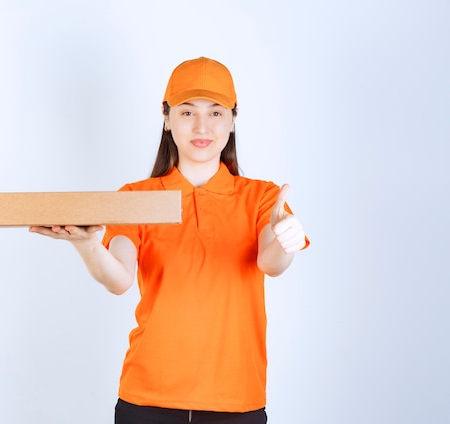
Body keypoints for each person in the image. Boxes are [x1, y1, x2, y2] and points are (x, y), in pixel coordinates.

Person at [30, 56, 309, 424]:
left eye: (216, 112)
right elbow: (119, 278)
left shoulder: (261, 197)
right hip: (148, 400)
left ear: (233, 119)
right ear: (167, 118)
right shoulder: (135, 197)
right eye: (187, 112)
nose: (202, 126)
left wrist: (285, 239)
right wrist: (86, 245)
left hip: (236, 400)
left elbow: (270, 263)